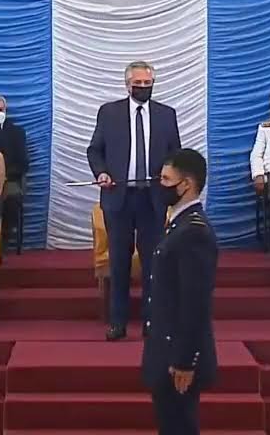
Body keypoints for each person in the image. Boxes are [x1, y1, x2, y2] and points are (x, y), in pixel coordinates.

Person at [86, 60, 182, 341]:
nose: (143, 88)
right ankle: (118, 322)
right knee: (119, 262)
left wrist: (170, 177)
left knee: (154, 263)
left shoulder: (166, 114)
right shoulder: (109, 112)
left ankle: (153, 322)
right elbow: (95, 150)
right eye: (137, 84)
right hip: (119, 198)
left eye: (147, 84)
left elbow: (174, 154)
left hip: (152, 199)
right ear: (127, 84)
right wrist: (101, 173)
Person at [142, 148, 218, 435]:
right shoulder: (177, 224)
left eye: (165, 179)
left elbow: (194, 304)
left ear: (185, 184)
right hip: (165, 347)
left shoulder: (193, 232)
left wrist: (185, 361)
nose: (159, 185)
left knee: (179, 426)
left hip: (179, 356)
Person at [0, 94, 27, 199]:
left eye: (1, 110)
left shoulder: (17, 132)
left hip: (9, 179)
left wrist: (3, 177)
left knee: (12, 197)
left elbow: (23, 162)